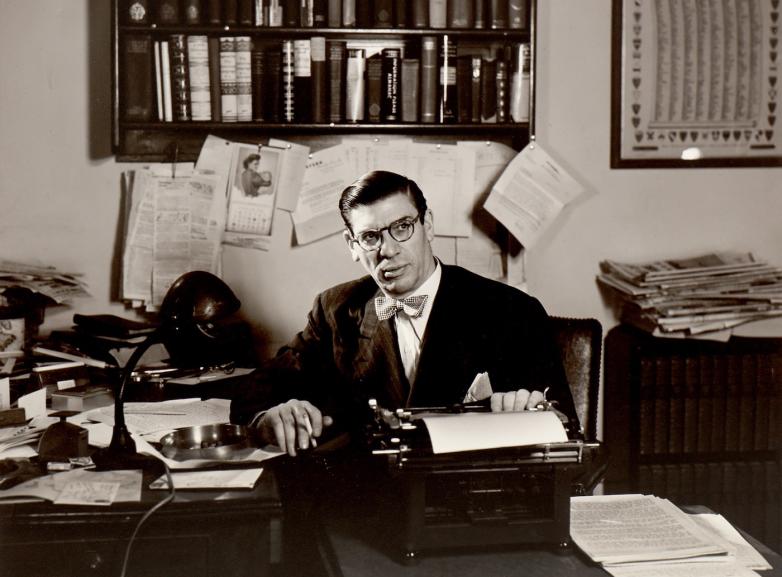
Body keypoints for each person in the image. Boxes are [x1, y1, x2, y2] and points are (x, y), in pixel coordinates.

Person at [230, 170, 578, 456]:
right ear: (352, 245)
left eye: (402, 228)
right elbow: (253, 391)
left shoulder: (511, 311)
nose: (388, 251)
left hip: (467, 499)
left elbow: (566, 428)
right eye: (370, 237)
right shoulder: (335, 309)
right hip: (372, 501)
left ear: (428, 225)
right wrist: (268, 417)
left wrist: (532, 412)